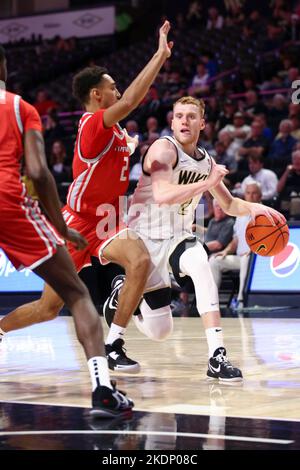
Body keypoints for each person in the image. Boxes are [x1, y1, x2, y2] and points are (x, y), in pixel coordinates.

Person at [0, 21, 173, 375]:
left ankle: (114, 344)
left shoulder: (117, 131)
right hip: (77, 220)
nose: (117, 90)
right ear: (97, 95)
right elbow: (130, 101)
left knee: (138, 261)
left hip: (107, 220)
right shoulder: (91, 124)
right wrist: (159, 56)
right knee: (48, 308)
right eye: (112, 87)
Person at [103, 96, 285, 382]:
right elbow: (162, 195)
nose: (184, 121)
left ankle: (217, 357)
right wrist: (208, 183)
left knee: (201, 264)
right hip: (143, 240)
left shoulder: (206, 161)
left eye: (191, 116)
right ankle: (124, 296)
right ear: (172, 122)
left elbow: (227, 205)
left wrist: (255, 208)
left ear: (202, 123)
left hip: (178, 237)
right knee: (160, 332)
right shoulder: (163, 149)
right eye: (179, 116)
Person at [0, 44, 133, 417]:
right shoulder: (20, 107)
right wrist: (60, 226)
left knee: (50, 306)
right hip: (19, 205)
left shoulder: (112, 129)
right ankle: (103, 389)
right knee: (74, 298)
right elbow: (40, 173)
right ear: (3, 68)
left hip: (106, 219)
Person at [209, 181, 263, 309]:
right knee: (214, 260)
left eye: (254, 193)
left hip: (256, 260)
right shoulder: (241, 215)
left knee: (246, 259)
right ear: (245, 195)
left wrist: (252, 251)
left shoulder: (264, 214)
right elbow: (236, 239)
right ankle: (212, 301)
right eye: (248, 193)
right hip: (239, 257)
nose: (251, 196)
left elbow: (267, 240)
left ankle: (241, 300)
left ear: (260, 196)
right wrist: (226, 251)